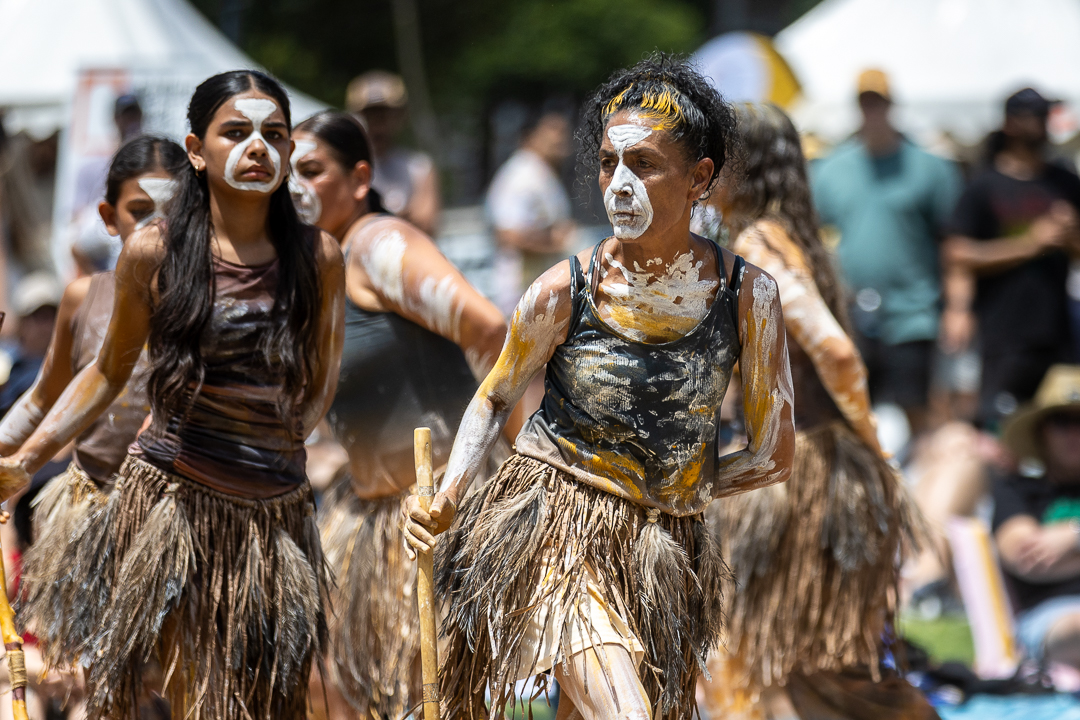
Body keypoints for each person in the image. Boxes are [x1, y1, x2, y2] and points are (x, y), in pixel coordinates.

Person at [403, 55, 796, 720]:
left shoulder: (746, 296)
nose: (619, 183)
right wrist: (448, 496)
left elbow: (772, 455)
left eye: (644, 164)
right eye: (610, 164)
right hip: (556, 531)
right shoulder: (566, 287)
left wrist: (679, 484)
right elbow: (498, 394)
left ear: (699, 178)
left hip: (664, 552)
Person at [0, 70, 346, 720]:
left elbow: (322, 377)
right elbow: (105, 372)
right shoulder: (153, 253)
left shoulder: (319, 257)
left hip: (276, 516)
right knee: (199, 697)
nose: (257, 149)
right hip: (174, 507)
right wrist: (28, 456)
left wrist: (278, 448)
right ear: (196, 148)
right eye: (235, 132)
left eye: (274, 135)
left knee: (274, 704)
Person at [705, 103, 930, 720]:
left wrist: (868, 435)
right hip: (817, 467)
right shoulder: (792, 238)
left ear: (739, 168)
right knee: (814, 666)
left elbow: (832, 349)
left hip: (801, 472)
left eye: (710, 157)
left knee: (783, 663)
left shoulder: (756, 242)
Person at [289, 110, 508, 719]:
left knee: (433, 696)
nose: (296, 188)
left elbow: (490, 328)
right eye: (287, 175)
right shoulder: (318, 268)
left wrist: (509, 464)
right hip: (365, 520)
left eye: (311, 170)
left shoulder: (380, 243)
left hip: (434, 518)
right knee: (333, 691)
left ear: (360, 178)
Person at [0, 135, 186, 671]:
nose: (155, 226)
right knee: (94, 681)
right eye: (138, 211)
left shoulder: (207, 298)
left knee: (177, 679)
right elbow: (44, 396)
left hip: (180, 513)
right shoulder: (86, 297)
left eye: (171, 210)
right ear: (109, 217)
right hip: (94, 511)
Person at [812, 69, 961, 437]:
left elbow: (954, 245)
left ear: (892, 105)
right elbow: (810, 236)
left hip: (913, 310)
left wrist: (958, 308)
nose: (872, 110)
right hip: (850, 313)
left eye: (878, 102)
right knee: (850, 416)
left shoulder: (930, 168)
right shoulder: (830, 170)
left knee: (919, 413)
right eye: (866, 102)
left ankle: (923, 490)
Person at [943, 87, 1080, 431]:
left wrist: (1069, 234)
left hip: (1058, 331)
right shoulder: (984, 185)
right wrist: (1032, 243)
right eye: (1035, 117)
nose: (1043, 125)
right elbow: (957, 253)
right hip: (1000, 334)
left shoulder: (1064, 183)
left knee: (1058, 430)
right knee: (998, 429)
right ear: (1011, 124)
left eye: (1045, 117)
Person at [994, 365, 1080, 668]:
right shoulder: (1016, 490)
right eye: (1062, 421)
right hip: (1052, 618)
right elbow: (1027, 558)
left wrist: (1071, 537)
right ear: (1042, 429)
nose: (1073, 433)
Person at [487, 108, 577, 316]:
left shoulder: (540, 171)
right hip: (522, 294)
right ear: (530, 136)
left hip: (541, 293)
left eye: (563, 131)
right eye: (553, 130)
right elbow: (508, 235)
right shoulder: (521, 174)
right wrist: (557, 242)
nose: (560, 137)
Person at [346, 71, 440, 235]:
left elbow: (427, 223)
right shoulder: (346, 166)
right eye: (370, 115)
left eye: (384, 114)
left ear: (400, 116)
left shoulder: (419, 167)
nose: (377, 124)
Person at [0, 273, 62, 416]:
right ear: (22, 322)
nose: (48, 326)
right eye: (40, 317)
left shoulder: (60, 369)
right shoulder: (7, 357)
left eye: (53, 316)